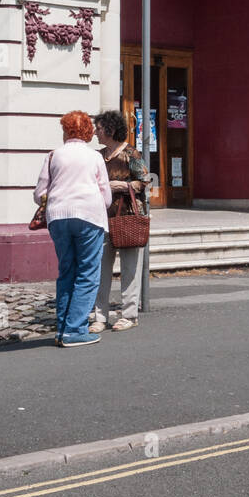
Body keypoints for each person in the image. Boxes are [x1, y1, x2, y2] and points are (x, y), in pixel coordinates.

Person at [34, 111, 111, 348]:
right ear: (88, 131)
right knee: (88, 272)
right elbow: (106, 196)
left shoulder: (53, 156)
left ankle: (62, 329)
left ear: (66, 130)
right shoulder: (94, 157)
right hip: (88, 215)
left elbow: (39, 195)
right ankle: (75, 330)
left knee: (66, 270)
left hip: (58, 216)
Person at [92, 109, 151, 333]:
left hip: (128, 218)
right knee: (100, 269)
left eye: (98, 128)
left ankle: (129, 314)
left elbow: (145, 181)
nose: (95, 132)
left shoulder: (130, 154)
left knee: (130, 269)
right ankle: (100, 316)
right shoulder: (97, 157)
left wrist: (124, 186)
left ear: (110, 129)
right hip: (102, 219)